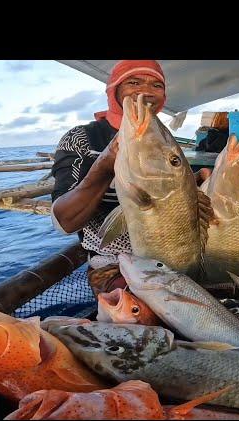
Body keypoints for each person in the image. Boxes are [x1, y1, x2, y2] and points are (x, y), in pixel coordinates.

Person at [50, 60, 168, 295]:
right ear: (114, 90)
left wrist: (194, 180)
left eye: (157, 85)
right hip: (112, 266)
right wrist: (104, 165)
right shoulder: (82, 138)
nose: (145, 91)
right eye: (133, 82)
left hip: (165, 258)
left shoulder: (163, 139)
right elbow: (65, 222)